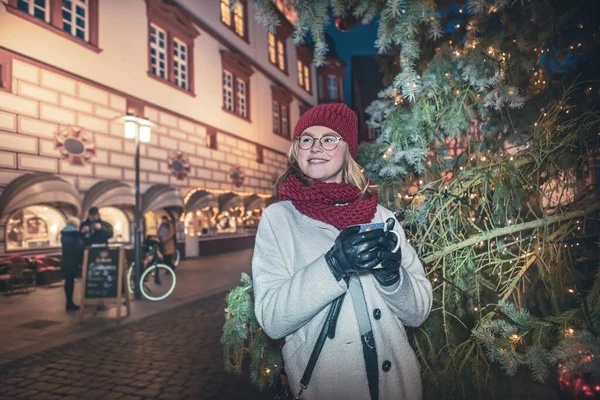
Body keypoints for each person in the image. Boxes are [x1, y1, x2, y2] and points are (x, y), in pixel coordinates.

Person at [252, 103, 433, 400]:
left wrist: (393, 278)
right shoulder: (279, 219)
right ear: (297, 150)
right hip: (327, 387)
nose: (316, 147)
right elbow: (272, 319)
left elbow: (418, 312)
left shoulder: (381, 217)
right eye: (306, 139)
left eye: (329, 139)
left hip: (396, 386)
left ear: (347, 149)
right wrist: (332, 266)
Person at [60, 217, 84, 311]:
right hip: (73, 261)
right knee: (70, 282)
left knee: (68, 282)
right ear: (76, 225)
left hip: (65, 260)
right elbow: (79, 248)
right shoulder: (75, 235)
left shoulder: (64, 234)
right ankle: (70, 304)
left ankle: (69, 302)